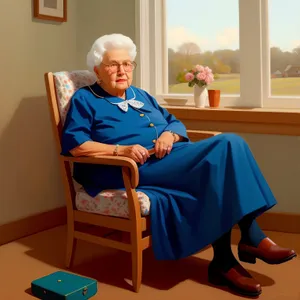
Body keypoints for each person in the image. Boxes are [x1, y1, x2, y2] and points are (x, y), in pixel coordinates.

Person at [61, 33, 297, 297]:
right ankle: (250, 236)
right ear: (97, 70)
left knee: (225, 155)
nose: (122, 70)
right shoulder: (86, 99)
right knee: (228, 143)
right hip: (130, 168)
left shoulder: (141, 95)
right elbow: (76, 144)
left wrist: (167, 135)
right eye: (113, 64)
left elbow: (174, 122)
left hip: (170, 155)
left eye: (127, 64)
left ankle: (224, 261)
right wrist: (121, 149)